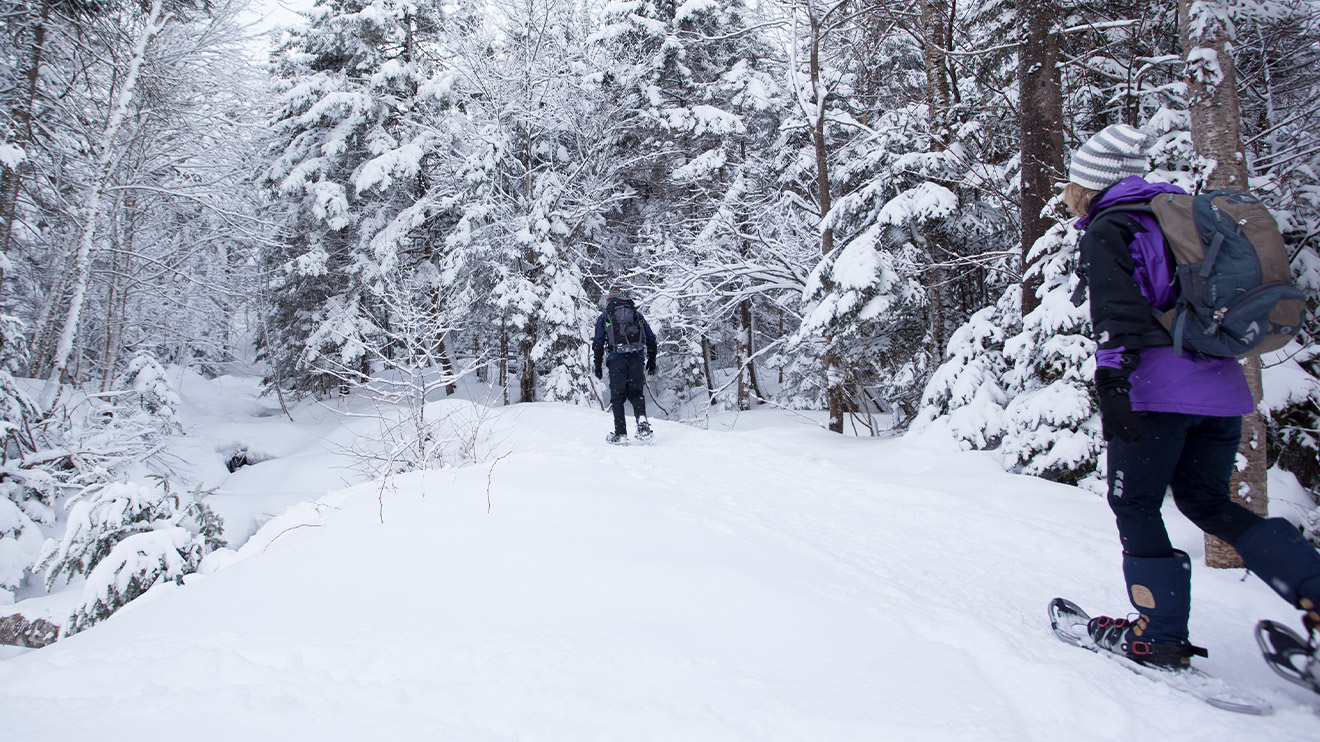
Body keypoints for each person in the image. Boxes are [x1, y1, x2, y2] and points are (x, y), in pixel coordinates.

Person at [1066, 123, 1320, 671]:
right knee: (1207, 503)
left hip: (1157, 393)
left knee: (1134, 502)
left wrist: (1113, 386)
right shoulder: (1179, 215)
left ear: (1090, 183)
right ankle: (1315, 591)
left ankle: (1156, 634)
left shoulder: (1112, 226)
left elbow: (1118, 316)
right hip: (1220, 391)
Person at [593, 289, 658, 444]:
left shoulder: (605, 316)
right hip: (636, 358)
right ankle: (642, 424)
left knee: (617, 397)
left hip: (616, 360)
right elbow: (651, 338)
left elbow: (598, 342)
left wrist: (597, 365)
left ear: (609, 302)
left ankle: (621, 434)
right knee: (637, 393)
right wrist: (652, 360)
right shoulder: (637, 315)